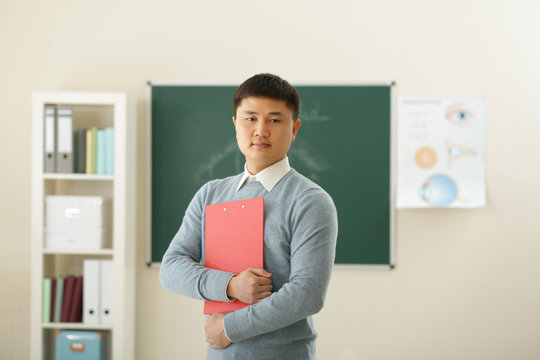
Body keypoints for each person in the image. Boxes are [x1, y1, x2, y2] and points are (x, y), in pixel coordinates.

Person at [159, 73, 338, 360]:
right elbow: (171, 269)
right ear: (235, 124)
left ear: (294, 129)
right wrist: (230, 286)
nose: (261, 130)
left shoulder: (310, 201)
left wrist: (230, 328)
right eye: (250, 118)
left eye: (275, 120)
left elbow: (307, 294)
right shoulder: (211, 194)